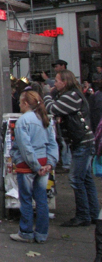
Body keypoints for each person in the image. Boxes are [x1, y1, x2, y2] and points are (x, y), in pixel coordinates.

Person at [43, 69, 99, 227]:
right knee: (86, 179)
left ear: (65, 82)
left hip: (82, 142)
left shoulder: (71, 96)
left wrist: (47, 94)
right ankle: (93, 213)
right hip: (82, 141)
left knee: (75, 179)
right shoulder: (72, 95)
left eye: (58, 80)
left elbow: (52, 109)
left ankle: (83, 215)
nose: (55, 83)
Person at [9, 91, 59, 244]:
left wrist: (35, 166)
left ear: (25, 103)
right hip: (44, 162)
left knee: (26, 199)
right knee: (41, 199)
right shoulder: (44, 119)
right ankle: (42, 233)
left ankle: (26, 231)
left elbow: (25, 147)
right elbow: (52, 143)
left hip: (28, 165)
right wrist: (49, 163)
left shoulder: (23, 121)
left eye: (20, 102)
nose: (18, 104)